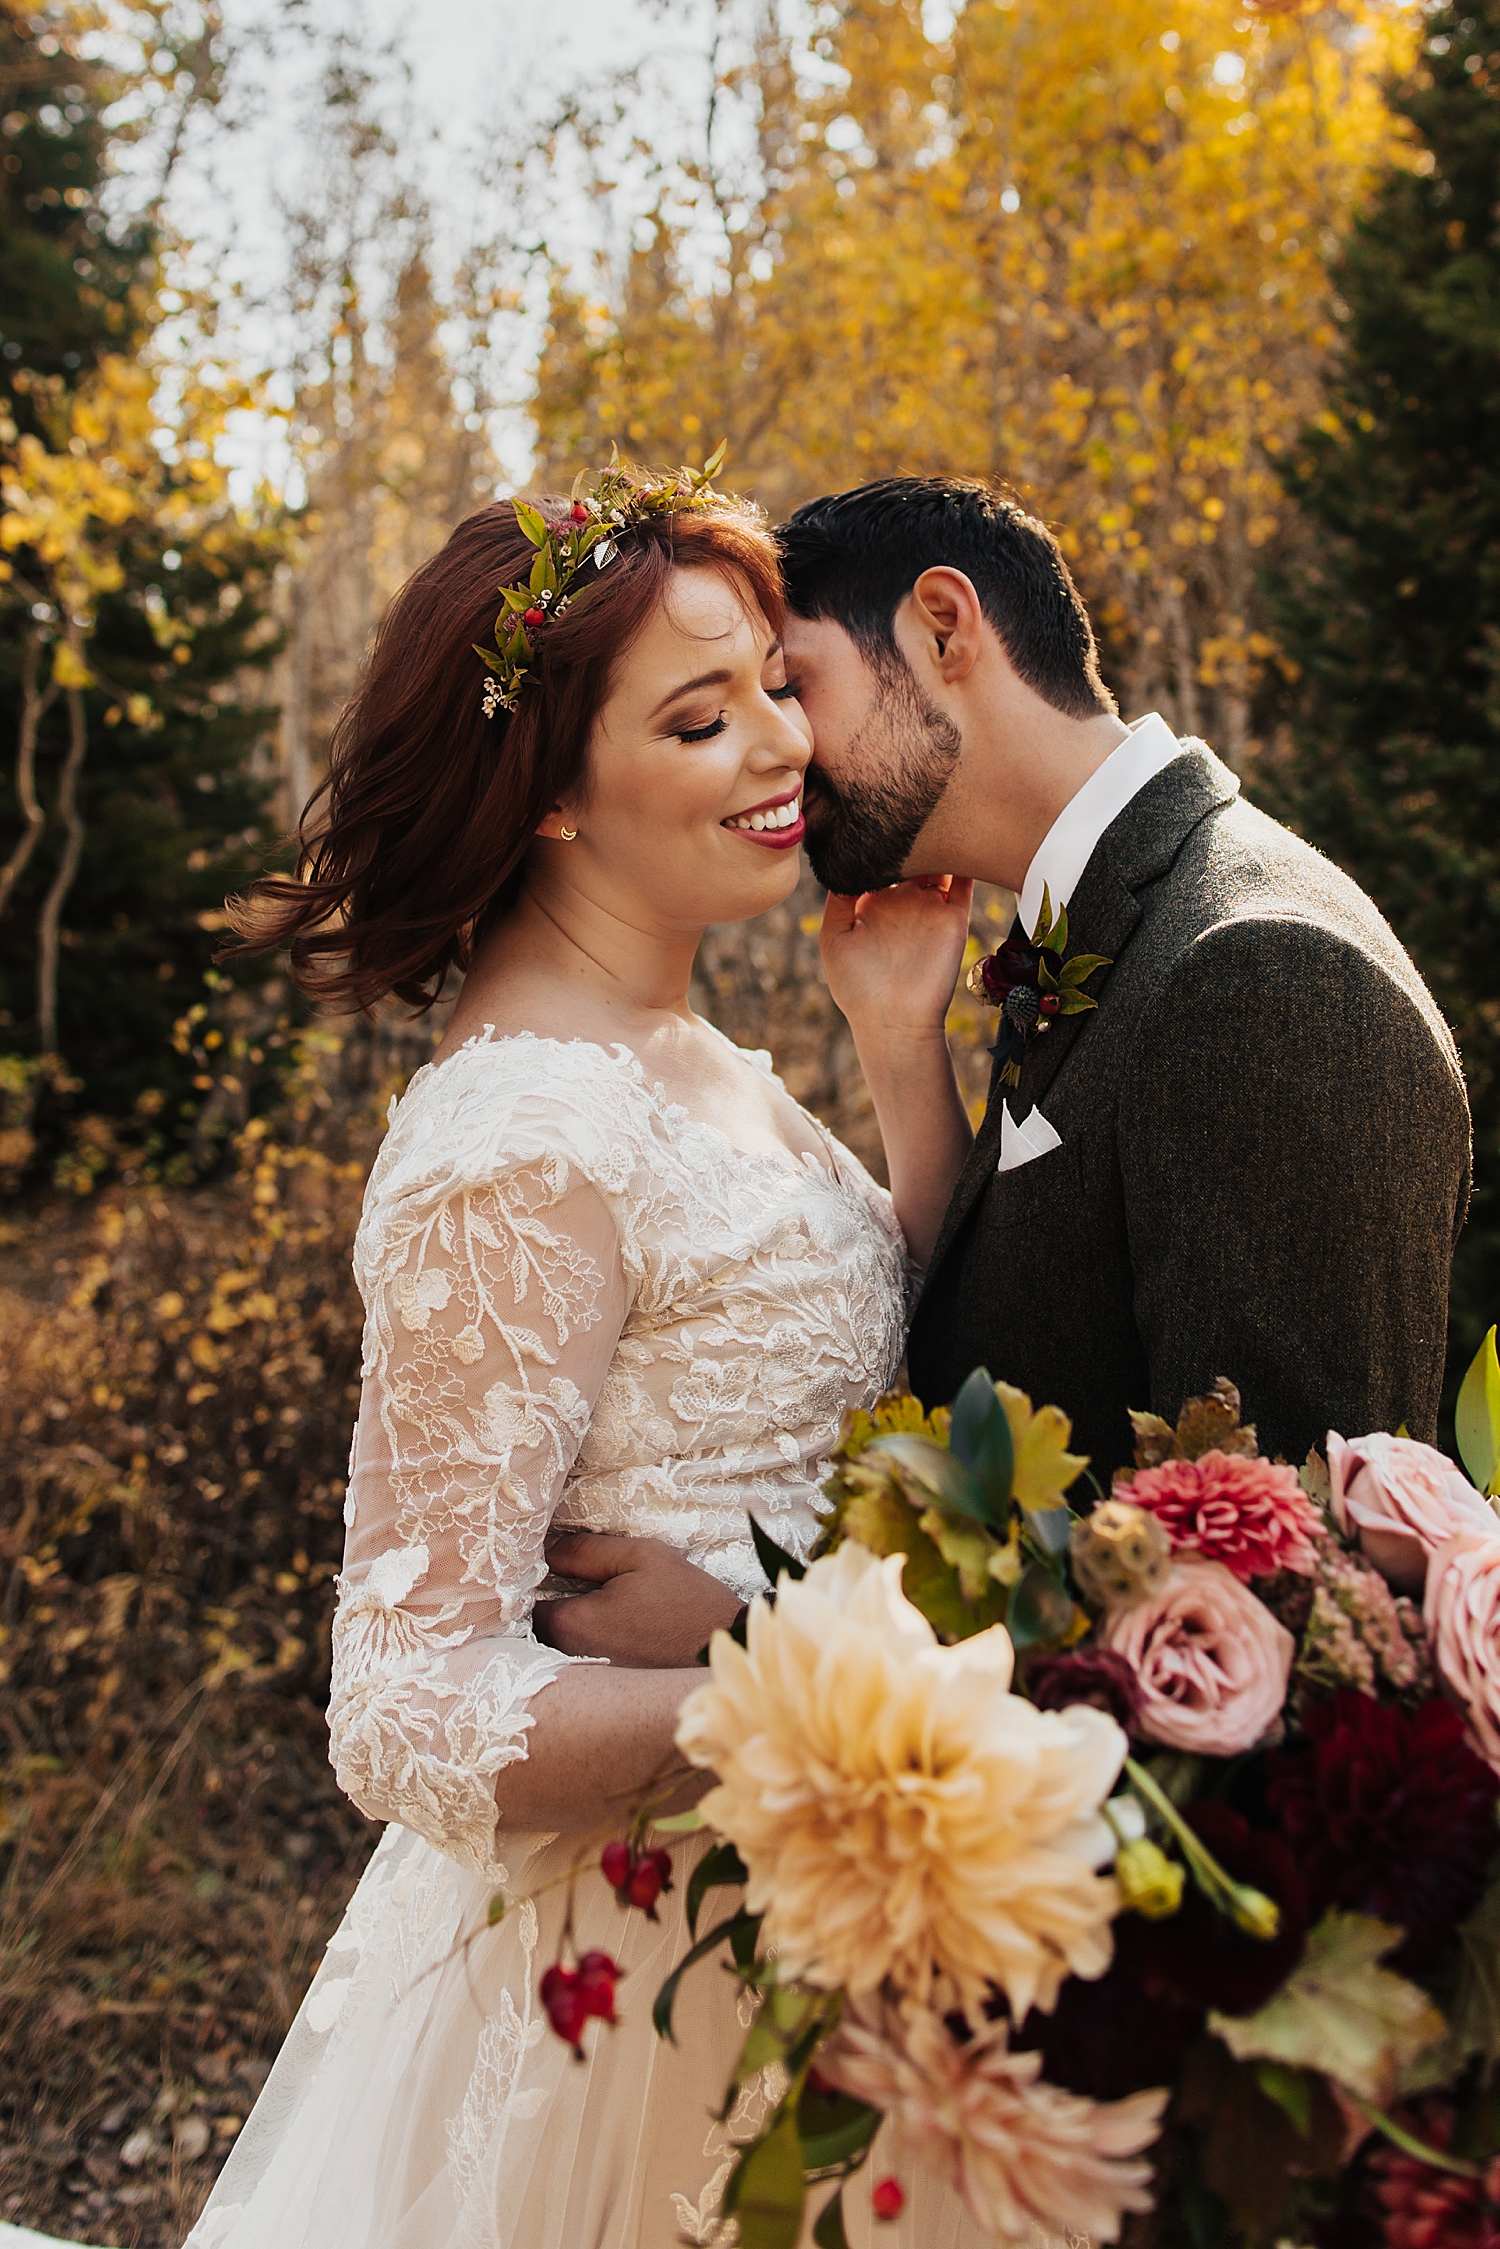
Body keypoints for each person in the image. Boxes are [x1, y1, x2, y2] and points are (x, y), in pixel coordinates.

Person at [182, 464, 980, 2249]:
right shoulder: (525, 1134)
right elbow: (402, 1702)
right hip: (633, 1983)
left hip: (811, 1928)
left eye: (777, 686)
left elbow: (835, 1363)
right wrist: (812, 1713)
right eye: (702, 719)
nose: (783, 746)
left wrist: (900, 1055)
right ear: (550, 790)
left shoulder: (680, 1042)